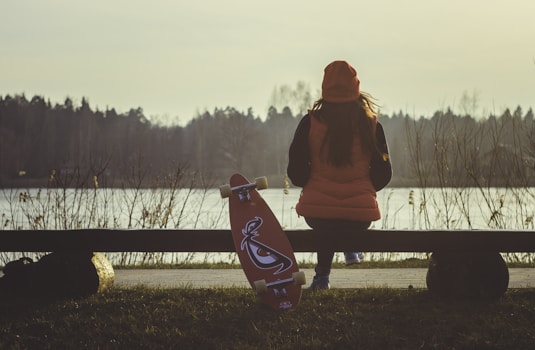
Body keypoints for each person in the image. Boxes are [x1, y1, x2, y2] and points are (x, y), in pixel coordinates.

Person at [287, 60, 392, 290]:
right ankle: (350, 247)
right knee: (343, 220)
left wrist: (311, 182)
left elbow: (295, 173)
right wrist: (364, 188)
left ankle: (322, 277)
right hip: (360, 215)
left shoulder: (310, 124)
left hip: (317, 213)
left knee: (328, 222)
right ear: (355, 89)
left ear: (325, 90)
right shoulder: (372, 126)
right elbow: (385, 173)